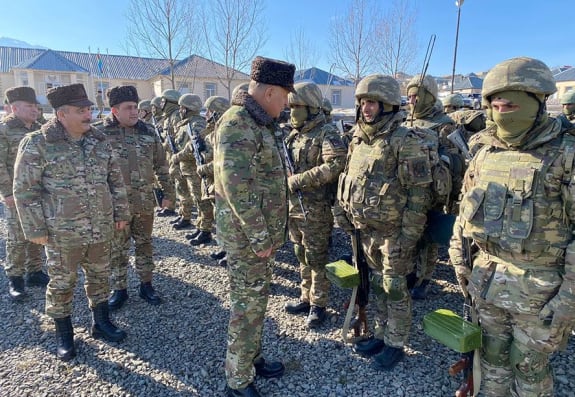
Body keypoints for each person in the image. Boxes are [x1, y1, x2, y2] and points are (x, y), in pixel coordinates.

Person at [449, 57, 575, 397]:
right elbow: (465, 211)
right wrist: (459, 258)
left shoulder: (566, 154)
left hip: (541, 292)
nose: (502, 110)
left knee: (529, 369)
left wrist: (567, 302)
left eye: (512, 103)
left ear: (538, 101)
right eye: (496, 103)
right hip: (486, 281)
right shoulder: (484, 152)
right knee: (490, 361)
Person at [13, 83, 130, 361]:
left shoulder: (99, 140)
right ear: (62, 114)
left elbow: (115, 180)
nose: (88, 115)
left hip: (100, 226)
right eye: (81, 111)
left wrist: (121, 213)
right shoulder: (38, 143)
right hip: (61, 232)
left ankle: (101, 323)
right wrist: (36, 229)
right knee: (62, 283)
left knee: (100, 276)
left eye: (89, 109)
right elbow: (25, 190)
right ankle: (64, 333)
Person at [335, 74, 435, 370]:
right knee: (375, 285)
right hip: (365, 231)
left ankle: (395, 342)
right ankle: (379, 331)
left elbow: (420, 195)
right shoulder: (358, 138)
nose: (366, 108)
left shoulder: (404, 140)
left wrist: (408, 236)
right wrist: (343, 212)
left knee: (394, 287)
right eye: (363, 102)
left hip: (394, 234)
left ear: (388, 105)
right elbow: (349, 179)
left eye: (373, 102)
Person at [214, 56, 295, 397]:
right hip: (248, 238)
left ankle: (252, 358)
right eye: (286, 95)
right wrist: (261, 235)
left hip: (258, 237)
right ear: (271, 92)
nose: (289, 102)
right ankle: (237, 380)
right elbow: (236, 187)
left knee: (257, 302)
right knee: (246, 308)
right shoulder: (237, 124)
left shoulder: (259, 122)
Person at [97, 86, 174, 311]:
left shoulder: (148, 132)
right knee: (117, 248)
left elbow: (161, 165)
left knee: (144, 244)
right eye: (128, 108)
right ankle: (119, 289)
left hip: (143, 202)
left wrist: (168, 194)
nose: (134, 112)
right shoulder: (99, 134)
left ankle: (146, 285)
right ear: (114, 110)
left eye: (136, 107)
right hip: (115, 205)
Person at [283, 82, 346, 328]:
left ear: (311, 107)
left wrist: (298, 180)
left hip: (315, 210)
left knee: (316, 257)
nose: (292, 111)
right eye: (290, 106)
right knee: (300, 254)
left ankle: (319, 304)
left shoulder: (326, 133)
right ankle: (304, 297)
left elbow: (334, 165)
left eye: (297, 106)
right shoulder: (292, 135)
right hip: (293, 208)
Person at [404, 74, 461, 300]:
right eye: (408, 97)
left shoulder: (443, 124)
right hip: (406, 188)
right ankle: (409, 271)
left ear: (428, 96)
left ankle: (425, 278)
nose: (411, 101)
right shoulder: (404, 121)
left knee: (426, 235)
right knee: (408, 234)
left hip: (431, 189)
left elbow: (455, 160)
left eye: (416, 96)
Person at [0, 87, 49, 301]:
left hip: (39, 193)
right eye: (29, 106)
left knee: (37, 232)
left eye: (35, 106)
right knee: (17, 237)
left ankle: (35, 272)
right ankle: (15, 278)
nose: (34, 110)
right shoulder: (4, 130)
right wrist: (6, 192)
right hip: (16, 193)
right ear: (14, 107)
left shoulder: (41, 128)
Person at [195, 95, 230, 264]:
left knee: (229, 221)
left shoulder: (225, 131)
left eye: (210, 111)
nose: (206, 114)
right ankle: (225, 248)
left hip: (224, 182)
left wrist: (202, 167)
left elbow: (220, 162)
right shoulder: (214, 130)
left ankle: (231, 252)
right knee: (221, 217)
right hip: (215, 181)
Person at [170, 94, 208, 235]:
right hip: (186, 168)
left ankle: (204, 229)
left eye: (182, 107)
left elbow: (194, 148)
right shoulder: (186, 123)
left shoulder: (197, 124)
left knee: (200, 200)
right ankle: (200, 226)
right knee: (191, 196)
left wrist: (177, 157)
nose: (180, 110)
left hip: (194, 169)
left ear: (188, 108)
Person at [157, 89, 182, 217]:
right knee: (173, 182)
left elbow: (179, 138)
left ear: (169, 102)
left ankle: (184, 214)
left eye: (163, 101)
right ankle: (172, 207)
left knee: (181, 186)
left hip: (177, 156)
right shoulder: (168, 117)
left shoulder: (176, 116)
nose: (160, 104)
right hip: (170, 155)